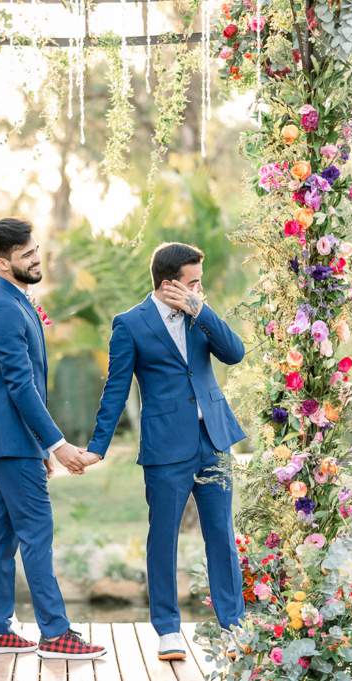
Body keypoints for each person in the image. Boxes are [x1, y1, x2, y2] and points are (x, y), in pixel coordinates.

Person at [82, 242, 247, 660]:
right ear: (169, 283)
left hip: (214, 441)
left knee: (222, 537)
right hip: (165, 449)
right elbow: (116, 390)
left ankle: (234, 625)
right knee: (163, 538)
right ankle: (168, 631)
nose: (199, 289)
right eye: (193, 283)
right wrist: (98, 448)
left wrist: (201, 310)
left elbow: (235, 352)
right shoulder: (130, 324)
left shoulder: (199, 315)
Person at [0, 217, 105, 660]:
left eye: (36, 249)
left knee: (2, 536)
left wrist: (35, 444)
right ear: (2, 262)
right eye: (26, 254)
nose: (36, 257)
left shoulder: (16, 301)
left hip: (12, 439)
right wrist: (56, 444)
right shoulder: (4, 309)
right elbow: (20, 385)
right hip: (10, 438)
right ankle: (56, 633)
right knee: (36, 532)